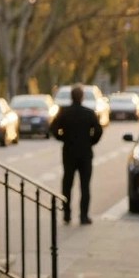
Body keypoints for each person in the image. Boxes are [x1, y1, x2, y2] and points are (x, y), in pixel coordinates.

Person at [49, 85, 103, 224]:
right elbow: (98, 131)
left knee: (67, 183)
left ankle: (67, 214)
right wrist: (90, 142)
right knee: (85, 185)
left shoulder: (64, 112)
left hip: (69, 152)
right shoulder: (89, 113)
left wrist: (63, 138)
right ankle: (83, 216)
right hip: (85, 153)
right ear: (82, 97)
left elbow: (53, 128)